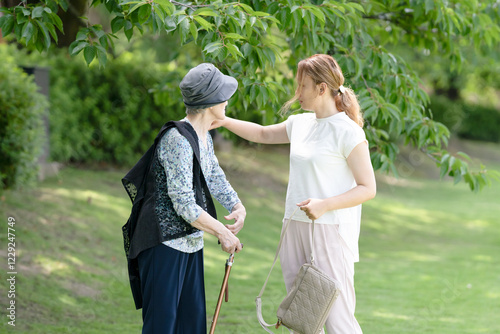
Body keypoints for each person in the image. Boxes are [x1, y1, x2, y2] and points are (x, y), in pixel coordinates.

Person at [212, 54, 376, 333]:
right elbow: (263, 134)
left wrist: (325, 204)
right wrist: (223, 121)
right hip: (293, 226)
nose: (297, 93)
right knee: (302, 320)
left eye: (302, 86)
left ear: (322, 88)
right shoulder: (300, 123)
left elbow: (368, 188)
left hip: (328, 231)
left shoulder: (349, 132)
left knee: (338, 320)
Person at [123, 63, 245, 334]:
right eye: (223, 94)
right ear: (210, 100)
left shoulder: (204, 136)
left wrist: (237, 205)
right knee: (161, 327)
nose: (227, 100)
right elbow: (184, 204)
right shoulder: (177, 139)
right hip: (161, 243)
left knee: (191, 326)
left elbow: (213, 174)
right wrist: (222, 232)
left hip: (190, 243)